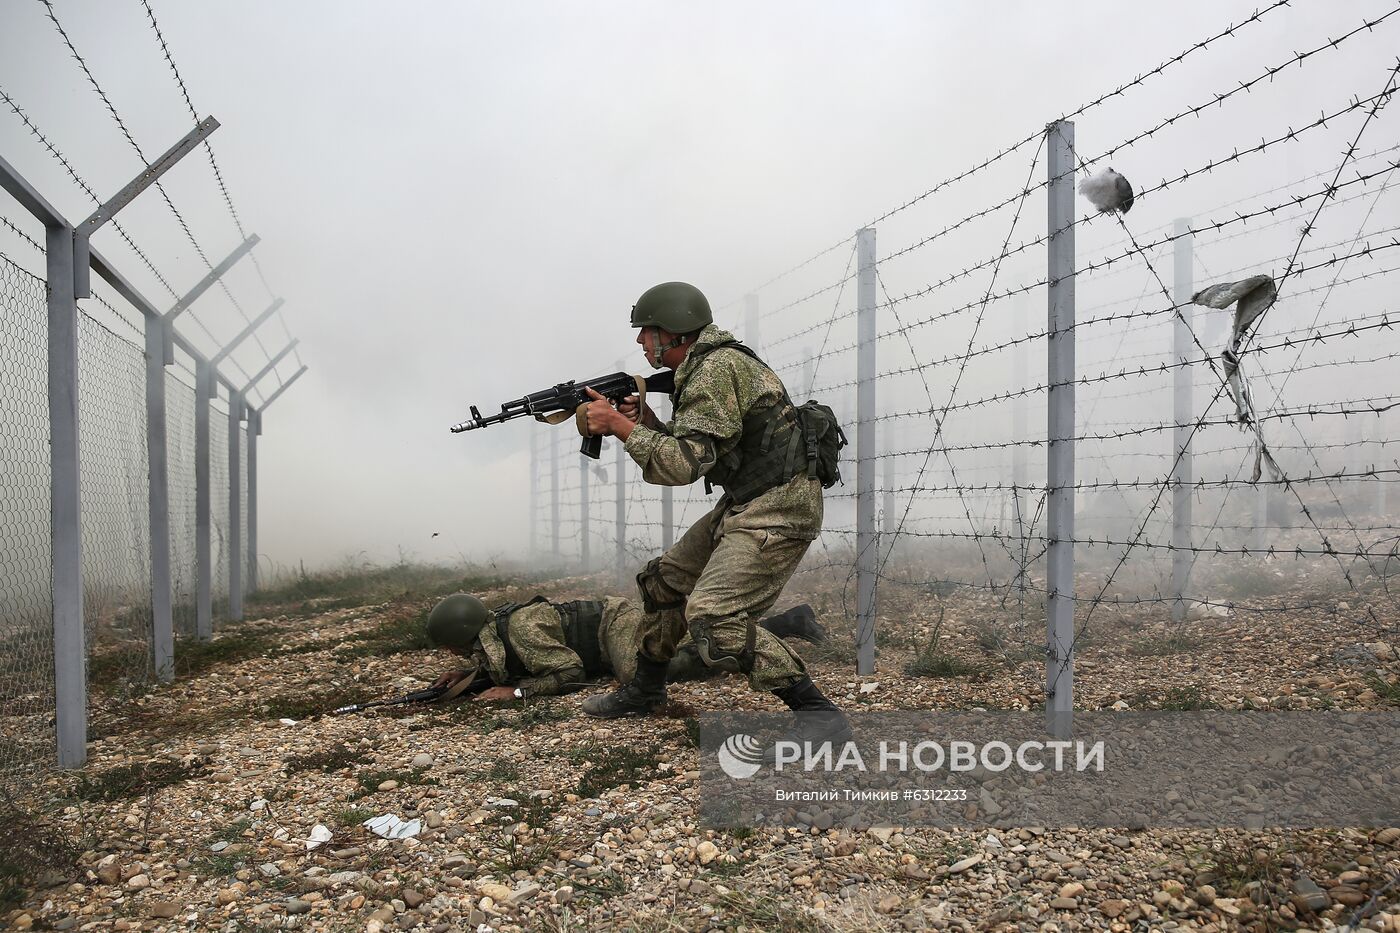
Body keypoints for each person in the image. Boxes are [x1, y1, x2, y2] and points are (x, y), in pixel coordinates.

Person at [576, 281, 849, 742]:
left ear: (675, 333)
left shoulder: (717, 369)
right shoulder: (706, 366)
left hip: (780, 508)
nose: (640, 342)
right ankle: (646, 689)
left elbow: (681, 466)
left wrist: (619, 426)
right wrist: (644, 424)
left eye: (646, 332)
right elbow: (704, 450)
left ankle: (818, 714)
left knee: (713, 617)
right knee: (665, 582)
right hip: (748, 499)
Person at [425, 592, 826, 700]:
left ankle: (756, 641)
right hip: (605, 634)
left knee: (642, 673)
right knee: (681, 645)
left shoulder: (520, 629)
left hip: (610, 625)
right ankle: (790, 621)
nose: (454, 657)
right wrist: (468, 678)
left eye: (456, 652)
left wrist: (515, 691)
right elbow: (502, 660)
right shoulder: (494, 633)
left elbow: (570, 673)